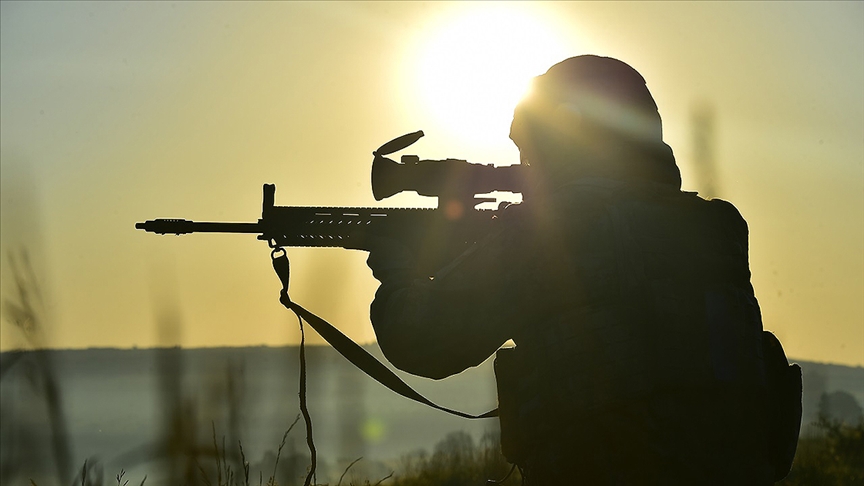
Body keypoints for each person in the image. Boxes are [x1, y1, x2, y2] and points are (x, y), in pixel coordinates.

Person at [366, 55, 776, 484]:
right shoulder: (716, 226)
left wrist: (400, 272)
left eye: (532, 152)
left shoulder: (545, 233)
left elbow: (422, 340)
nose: (526, 167)